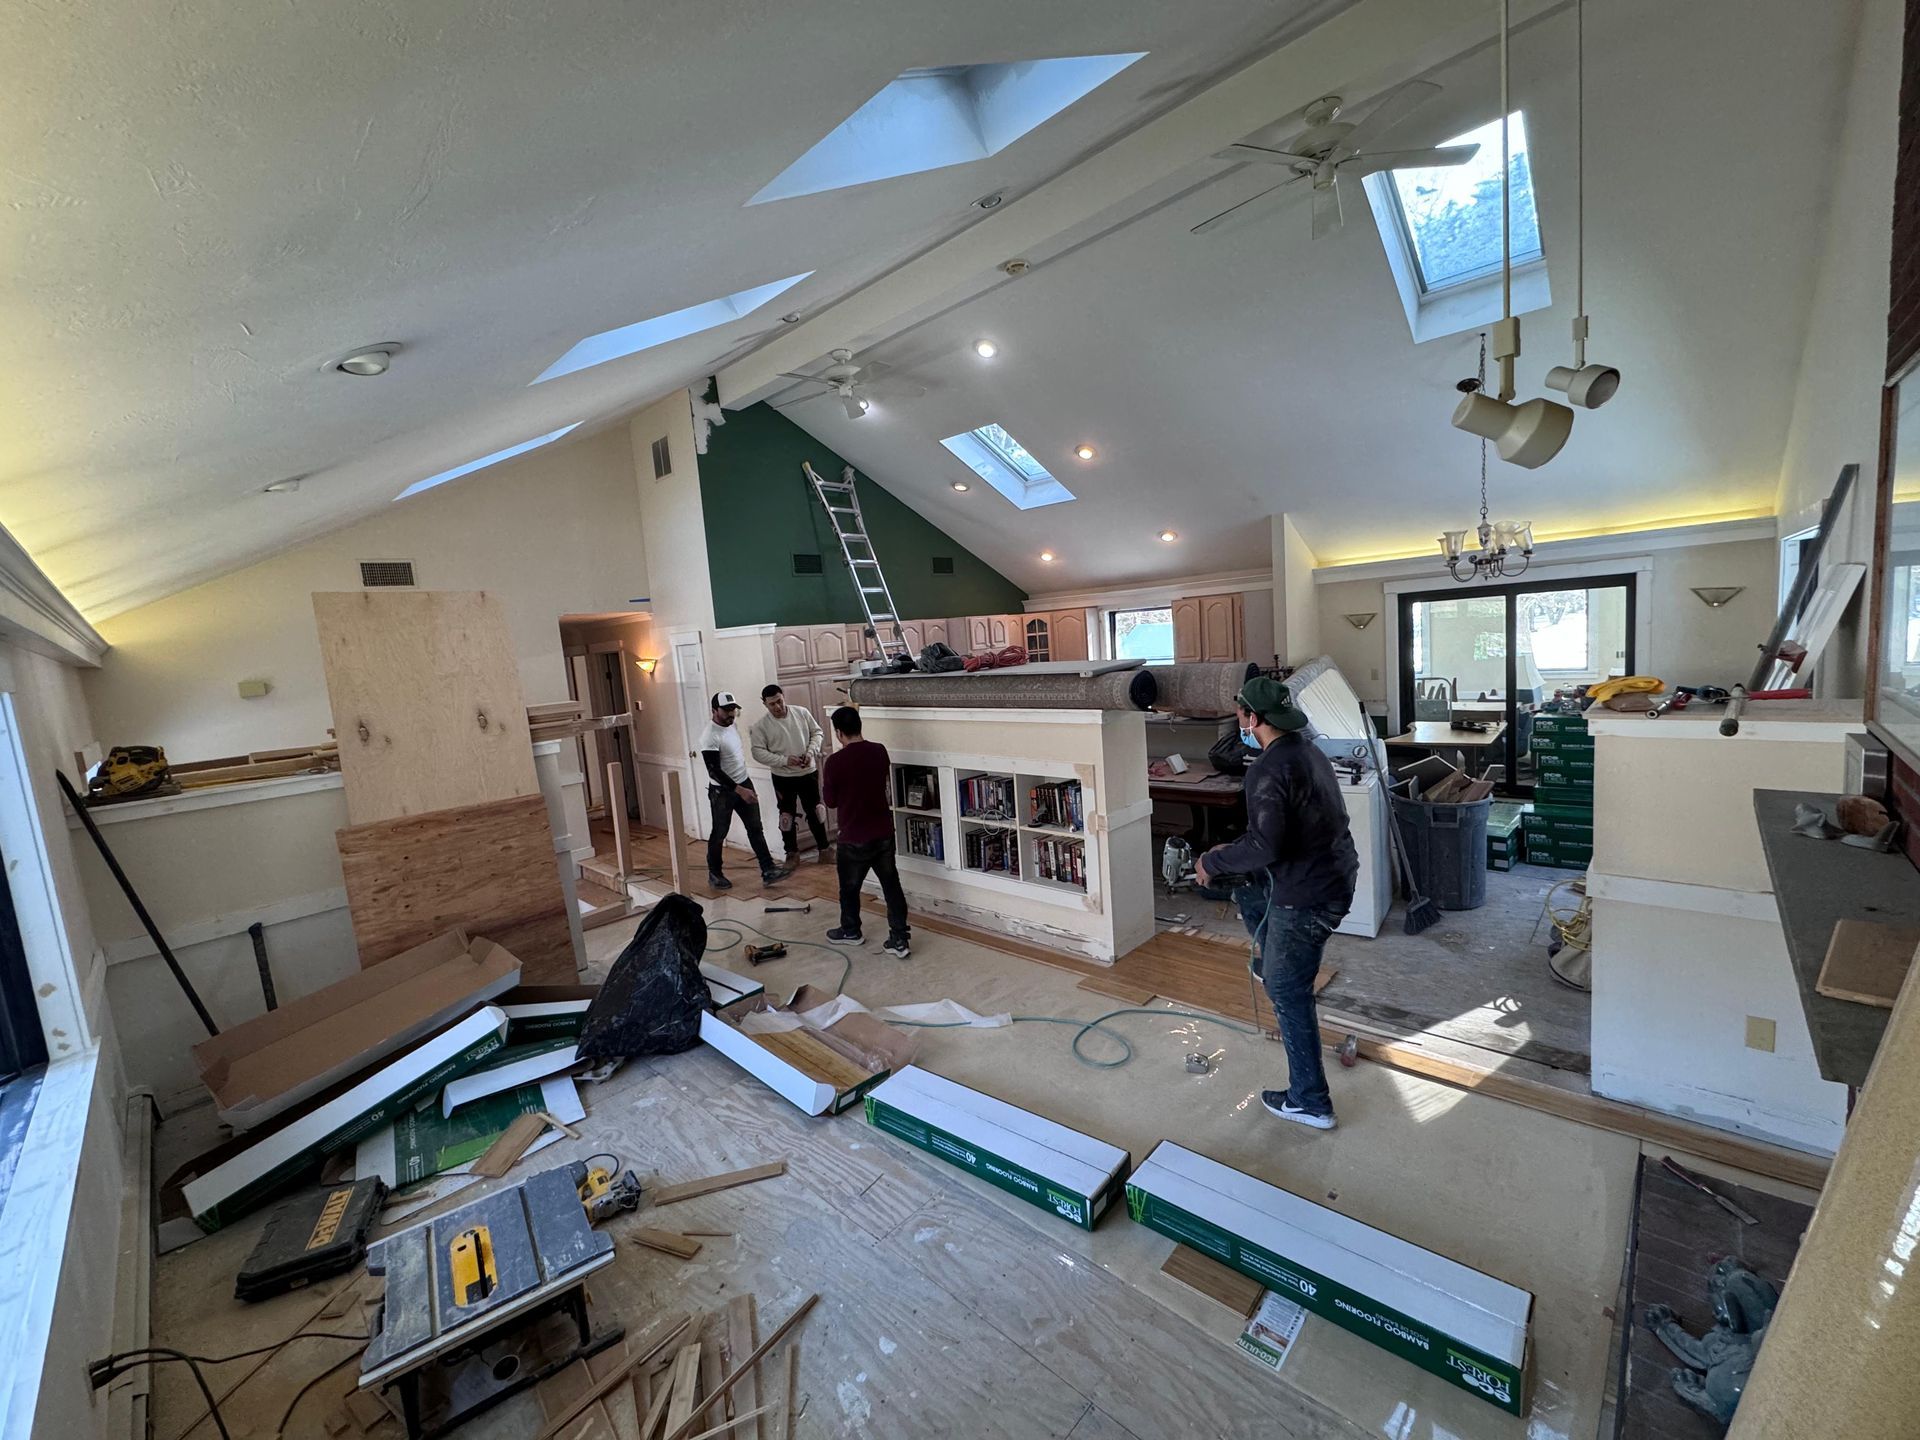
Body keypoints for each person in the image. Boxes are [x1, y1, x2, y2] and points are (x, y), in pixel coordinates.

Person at [1196, 676, 1357, 1131]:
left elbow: (1265, 846)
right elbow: (1274, 840)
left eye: (1241, 715)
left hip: (1309, 896)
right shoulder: (1308, 751)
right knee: (1247, 889)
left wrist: (1212, 858)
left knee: (1288, 992)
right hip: (1335, 876)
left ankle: (1310, 1101)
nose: (1239, 722)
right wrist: (1234, 859)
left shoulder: (1266, 770)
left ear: (1254, 719)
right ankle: (1275, 963)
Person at [819, 706, 910, 958]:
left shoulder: (834, 762)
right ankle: (900, 938)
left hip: (852, 836)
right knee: (892, 887)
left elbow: (831, 802)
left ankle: (851, 931)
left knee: (849, 889)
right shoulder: (879, 751)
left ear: (838, 733)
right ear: (860, 725)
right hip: (882, 832)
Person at [696, 691, 790, 891]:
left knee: (755, 828)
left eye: (733, 710)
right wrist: (739, 790)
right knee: (719, 832)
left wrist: (744, 786)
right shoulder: (709, 736)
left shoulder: (732, 726)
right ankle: (715, 873)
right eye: (726, 710)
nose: (731, 714)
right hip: (723, 792)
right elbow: (714, 770)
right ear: (714, 710)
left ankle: (768, 870)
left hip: (743, 783)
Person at [748, 684, 830, 864]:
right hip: (783, 776)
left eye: (779, 701)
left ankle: (824, 848)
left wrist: (810, 752)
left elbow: (817, 732)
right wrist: (784, 760)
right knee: (786, 815)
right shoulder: (761, 726)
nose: (777, 707)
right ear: (765, 704)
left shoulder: (801, 713)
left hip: (808, 771)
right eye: (772, 704)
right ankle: (791, 853)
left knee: (816, 810)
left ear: (783, 697)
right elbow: (757, 752)